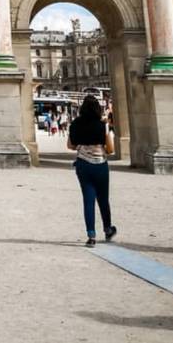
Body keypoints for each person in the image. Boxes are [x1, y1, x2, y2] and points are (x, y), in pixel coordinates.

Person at [67, 94, 117, 246]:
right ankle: (108, 229)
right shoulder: (103, 125)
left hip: (83, 165)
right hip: (100, 166)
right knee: (103, 199)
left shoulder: (75, 124)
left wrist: (83, 145)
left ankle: (91, 236)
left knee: (88, 201)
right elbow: (111, 149)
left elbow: (70, 146)